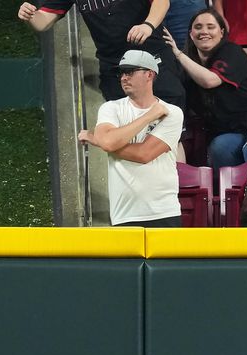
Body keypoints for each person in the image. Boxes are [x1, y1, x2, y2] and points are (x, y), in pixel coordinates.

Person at [78, 50, 185, 226]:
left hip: (164, 211)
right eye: (121, 73)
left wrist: (98, 140)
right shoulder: (110, 108)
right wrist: (149, 116)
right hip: (124, 214)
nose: (123, 78)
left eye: (130, 72)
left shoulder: (172, 112)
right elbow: (107, 142)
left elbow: (144, 154)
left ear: (149, 74)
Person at [18, 0, 187, 109]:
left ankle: (178, 166)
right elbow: (43, 22)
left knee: (172, 126)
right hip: (115, 66)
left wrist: (148, 25)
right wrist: (30, 16)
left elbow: (162, 2)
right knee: (122, 129)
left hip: (152, 56)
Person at [164, 8, 247, 168]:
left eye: (210, 26)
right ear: (191, 34)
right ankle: (227, 193)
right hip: (230, 131)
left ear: (221, 32)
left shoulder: (232, 51)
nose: (204, 31)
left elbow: (209, 80)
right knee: (220, 147)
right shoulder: (187, 68)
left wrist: (177, 53)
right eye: (198, 27)